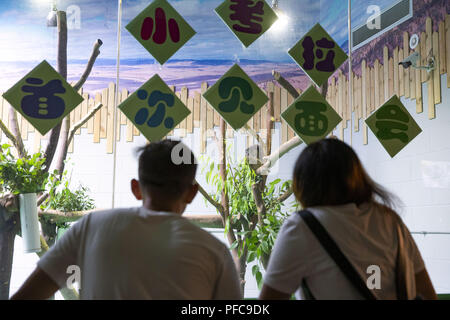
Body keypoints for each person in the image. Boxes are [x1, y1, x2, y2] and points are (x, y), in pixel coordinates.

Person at [12, 139, 241, 300]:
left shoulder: (90, 227)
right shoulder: (214, 252)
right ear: (192, 193)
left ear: (136, 188)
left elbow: (29, 294)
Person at [259, 138, 437, 300]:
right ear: (357, 176)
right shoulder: (390, 220)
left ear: (303, 185)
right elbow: (427, 293)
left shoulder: (302, 227)